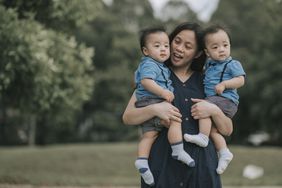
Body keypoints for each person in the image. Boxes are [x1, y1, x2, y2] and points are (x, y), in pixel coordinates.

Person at [123, 22, 233, 188]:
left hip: (202, 170)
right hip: (162, 168)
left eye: (188, 46)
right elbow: (128, 117)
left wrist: (213, 110)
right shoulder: (153, 77)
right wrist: (155, 109)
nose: (179, 48)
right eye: (177, 41)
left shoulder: (208, 81)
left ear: (197, 53)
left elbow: (227, 130)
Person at [134, 26, 195, 186]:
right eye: (157, 46)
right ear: (145, 51)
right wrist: (162, 95)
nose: (163, 49)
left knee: (148, 135)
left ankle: (141, 161)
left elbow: (227, 129)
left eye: (165, 45)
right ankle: (178, 149)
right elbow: (145, 82)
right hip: (151, 103)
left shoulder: (160, 67)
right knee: (175, 118)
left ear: (198, 53)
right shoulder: (150, 65)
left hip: (148, 104)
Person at [183, 24, 245, 174]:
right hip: (217, 100)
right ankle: (224, 152)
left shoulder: (232, 64)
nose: (222, 49)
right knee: (214, 131)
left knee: (205, 107)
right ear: (207, 52)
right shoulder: (210, 64)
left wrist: (225, 84)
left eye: (225, 45)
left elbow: (241, 80)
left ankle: (202, 137)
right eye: (215, 47)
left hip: (226, 100)